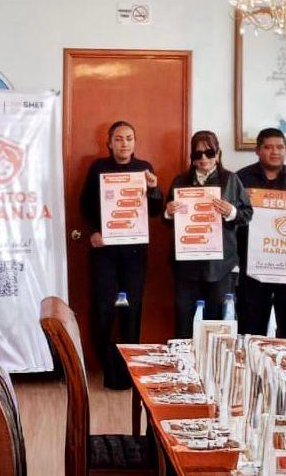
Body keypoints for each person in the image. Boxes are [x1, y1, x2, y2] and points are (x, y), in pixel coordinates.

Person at [80, 121, 163, 390]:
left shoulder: (144, 168)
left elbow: (155, 211)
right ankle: (109, 368)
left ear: (135, 142)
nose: (124, 143)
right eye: (118, 139)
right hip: (104, 251)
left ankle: (129, 371)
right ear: (109, 143)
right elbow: (85, 205)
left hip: (134, 252)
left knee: (131, 310)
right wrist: (93, 231)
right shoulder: (98, 167)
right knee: (103, 310)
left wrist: (154, 188)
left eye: (129, 138)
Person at [165, 130, 252, 338]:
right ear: (192, 157)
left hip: (220, 265)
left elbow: (247, 214)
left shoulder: (230, 179)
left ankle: (215, 360)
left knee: (218, 324)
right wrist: (168, 212)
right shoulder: (181, 181)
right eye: (198, 154)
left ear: (218, 154)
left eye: (209, 153)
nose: (203, 158)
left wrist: (231, 212)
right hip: (187, 265)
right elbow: (166, 220)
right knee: (184, 323)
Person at [235, 128, 286, 339]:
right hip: (252, 268)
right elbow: (229, 216)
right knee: (250, 332)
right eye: (268, 147)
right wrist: (240, 201)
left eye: (280, 147)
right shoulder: (241, 179)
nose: (275, 152)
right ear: (257, 150)